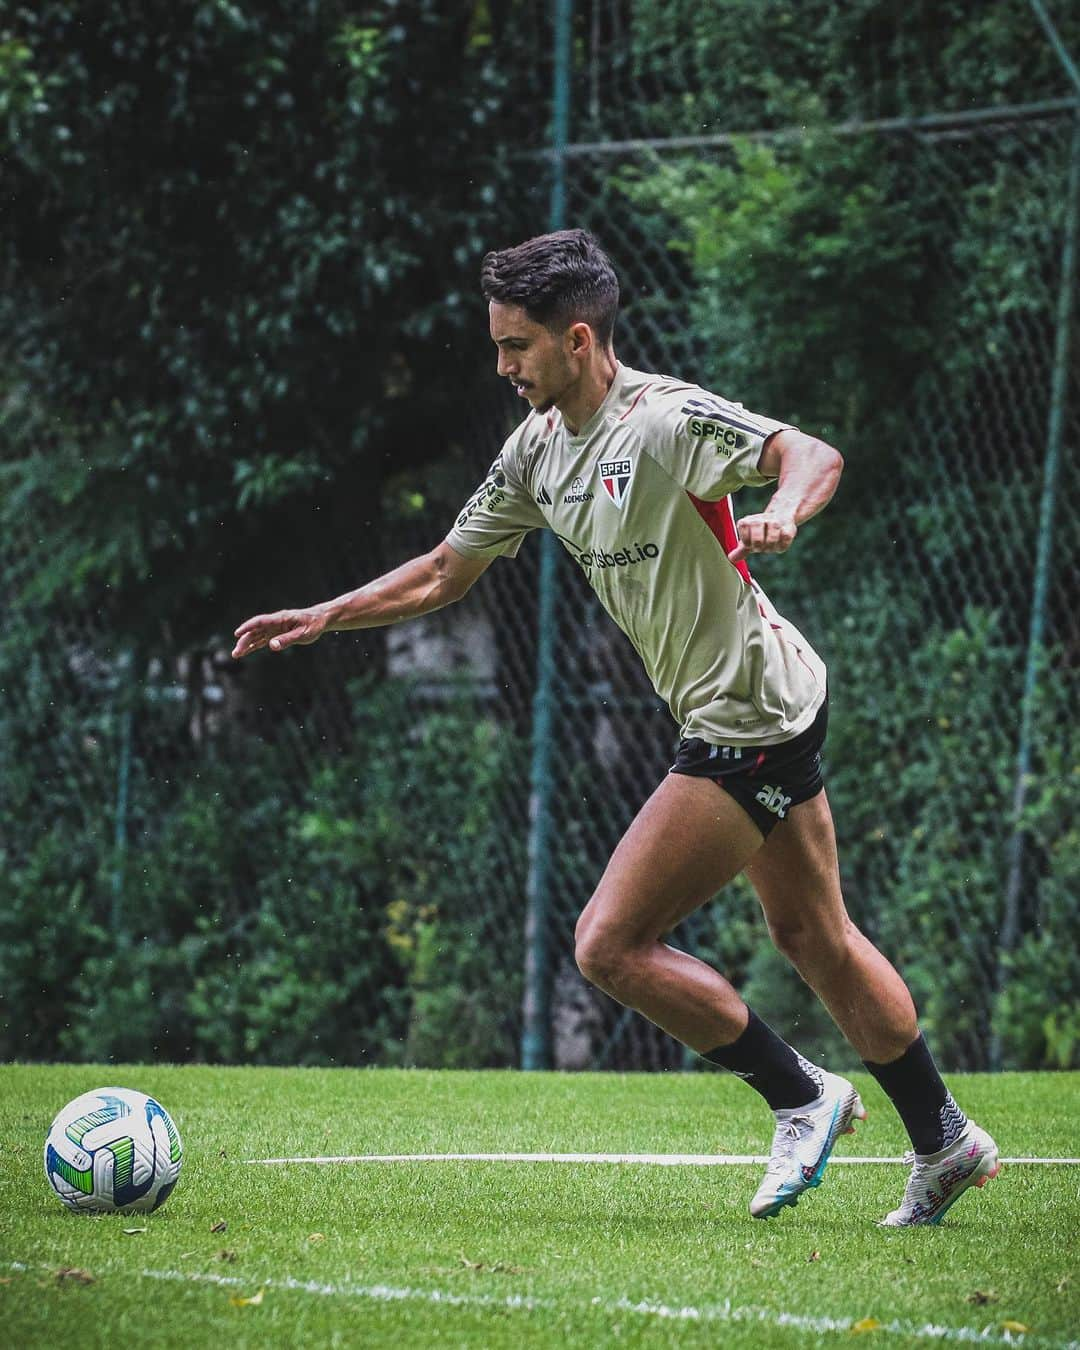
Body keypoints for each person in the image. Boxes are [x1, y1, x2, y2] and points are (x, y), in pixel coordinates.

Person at [232, 228, 999, 1225]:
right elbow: (441, 571)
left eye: (518, 347)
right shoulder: (536, 453)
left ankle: (803, 1097)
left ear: (581, 339)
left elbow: (806, 453)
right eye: (499, 346)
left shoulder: (664, 420)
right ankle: (944, 1139)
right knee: (816, 935)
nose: (503, 366)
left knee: (607, 943)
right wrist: (328, 614)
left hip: (748, 715)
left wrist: (788, 513)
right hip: (762, 699)